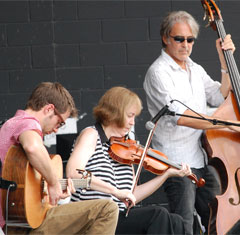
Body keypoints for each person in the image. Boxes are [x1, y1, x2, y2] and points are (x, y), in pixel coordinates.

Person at [143, 11, 240, 234]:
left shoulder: (195, 69)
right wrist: (228, 125)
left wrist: (224, 60)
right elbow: (184, 117)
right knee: (184, 224)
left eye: (190, 39)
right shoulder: (158, 72)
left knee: (218, 218)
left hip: (201, 158)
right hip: (175, 163)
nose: (185, 45)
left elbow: (220, 95)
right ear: (166, 38)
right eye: (179, 39)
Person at [0, 82, 119, 234]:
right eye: (59, 122)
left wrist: (51, 190)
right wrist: (53, 182)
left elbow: (21, 189)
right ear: (49, 109)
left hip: (7, 224)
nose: (57, 129)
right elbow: (33, 147)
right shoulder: (28, 123)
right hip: (17, 227)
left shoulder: (4, 128)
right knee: (107, 209)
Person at [66, 86, 191, 234]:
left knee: (177, 222)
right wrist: (115, 191)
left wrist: (165, 175)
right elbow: (74, 173)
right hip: (96, 219)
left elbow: (133, 195)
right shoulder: (91, 135)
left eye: (134, 117)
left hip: (119, 217)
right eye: (130, 115)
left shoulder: (126, 148)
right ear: (114, 113)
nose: (132, 122)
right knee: (158, 215)